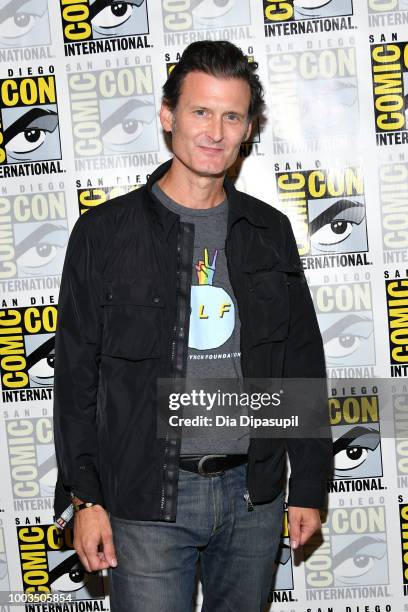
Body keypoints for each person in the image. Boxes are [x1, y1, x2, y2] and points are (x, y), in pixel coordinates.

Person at [53, 40, 332, 612]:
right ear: (167, 116)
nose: (215, 131)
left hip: (253, 497)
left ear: (248, 128)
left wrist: (307, 483)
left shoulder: (268, 230)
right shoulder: (104, 234)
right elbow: (77, 380)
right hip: (145, 501)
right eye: (200, 111)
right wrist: (85, 500)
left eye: (232, 116)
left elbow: (300, 362)